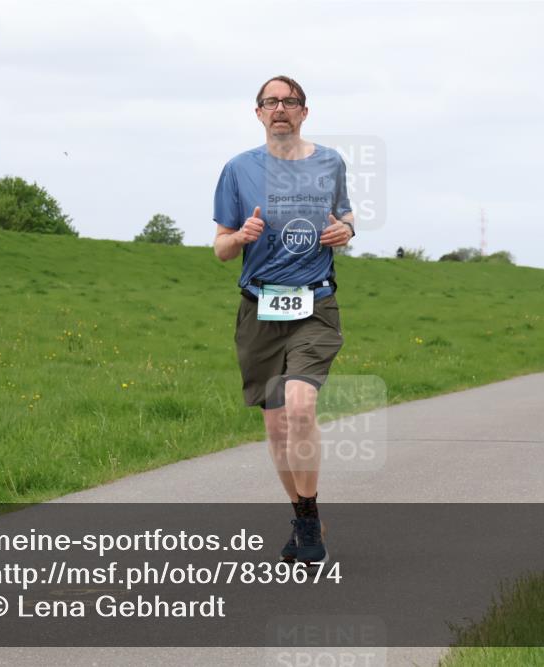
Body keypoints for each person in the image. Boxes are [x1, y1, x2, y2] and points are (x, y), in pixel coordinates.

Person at [213, 76, 354, 566]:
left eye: (289, 102)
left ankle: (309, 519)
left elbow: (346, 220)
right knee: (276, 430)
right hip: (259, 309)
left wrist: (345, 230)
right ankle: (302, 515)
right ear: (257, 114)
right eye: (270, 102)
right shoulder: (237, 169)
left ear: (304, 112)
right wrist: (241, 236)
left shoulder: (330, 162)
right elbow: (220, 248)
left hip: (314, 304)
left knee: (299, 408)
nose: (280, 109)